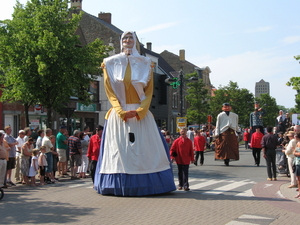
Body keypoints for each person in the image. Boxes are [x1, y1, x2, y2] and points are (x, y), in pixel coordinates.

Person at [94, 31, 175, 196]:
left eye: (131, 38)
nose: (128, 40)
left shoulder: (147, 63)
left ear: (136, 42)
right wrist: (121, 111)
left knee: (147, 150)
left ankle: (152, 183)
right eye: (125, 38)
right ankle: (115, 183)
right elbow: (109, 91)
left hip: (141, 114)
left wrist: (140, 111)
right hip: (120, 114)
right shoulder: (109, 63)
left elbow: (149, 91)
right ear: (121, 41)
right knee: (119, 151)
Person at [293, 133, 300, 198]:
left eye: (295, 137)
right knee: (298, 177)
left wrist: (295, 153)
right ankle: (299, 192)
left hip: (299, 162)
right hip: (297, 162)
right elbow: (295, 151)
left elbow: (298, 153)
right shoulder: (297, 143)